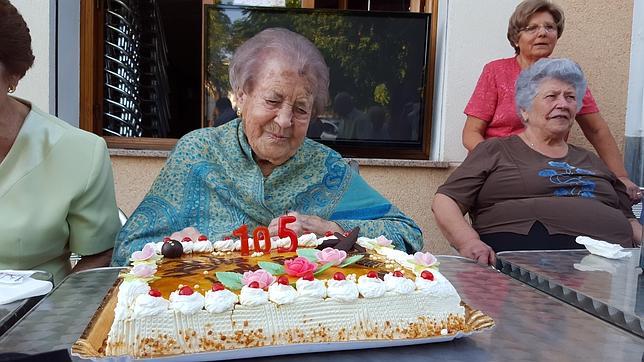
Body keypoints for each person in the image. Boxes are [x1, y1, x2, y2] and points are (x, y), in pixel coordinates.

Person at [111, 28, 423, 265]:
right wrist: (170, 247)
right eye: (272, 100)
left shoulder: (329, 168)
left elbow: (409, 235)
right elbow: (126, 250)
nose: (285, 120)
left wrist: (332, 228)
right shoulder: (198, 152)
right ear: (242, 96)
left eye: (301, 109)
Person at [433, 58, 642, 265]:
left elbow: (629, 221)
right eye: (551, 96)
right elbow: (446, 200)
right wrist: (468, 242)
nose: (563, 104)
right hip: (531, 270)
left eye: (570, 97)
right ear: (524, 109)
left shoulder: (591, 160)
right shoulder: (496, 150)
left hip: (616, 269)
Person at [462, 0, 640, 201]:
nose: (542, 33)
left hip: (546, 172)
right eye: (532, 28)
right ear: (516, 37)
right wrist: (499, 162)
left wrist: (621, 177)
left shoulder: (567, 76)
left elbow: (596, 130)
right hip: (496, 170)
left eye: (549, 27)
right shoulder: (495, 72)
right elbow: (470, 133)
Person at [0, 0, 121, 283]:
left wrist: (50, 310)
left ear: (13, 75)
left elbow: (101, 255)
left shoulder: (80, 152)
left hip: (32, 318)